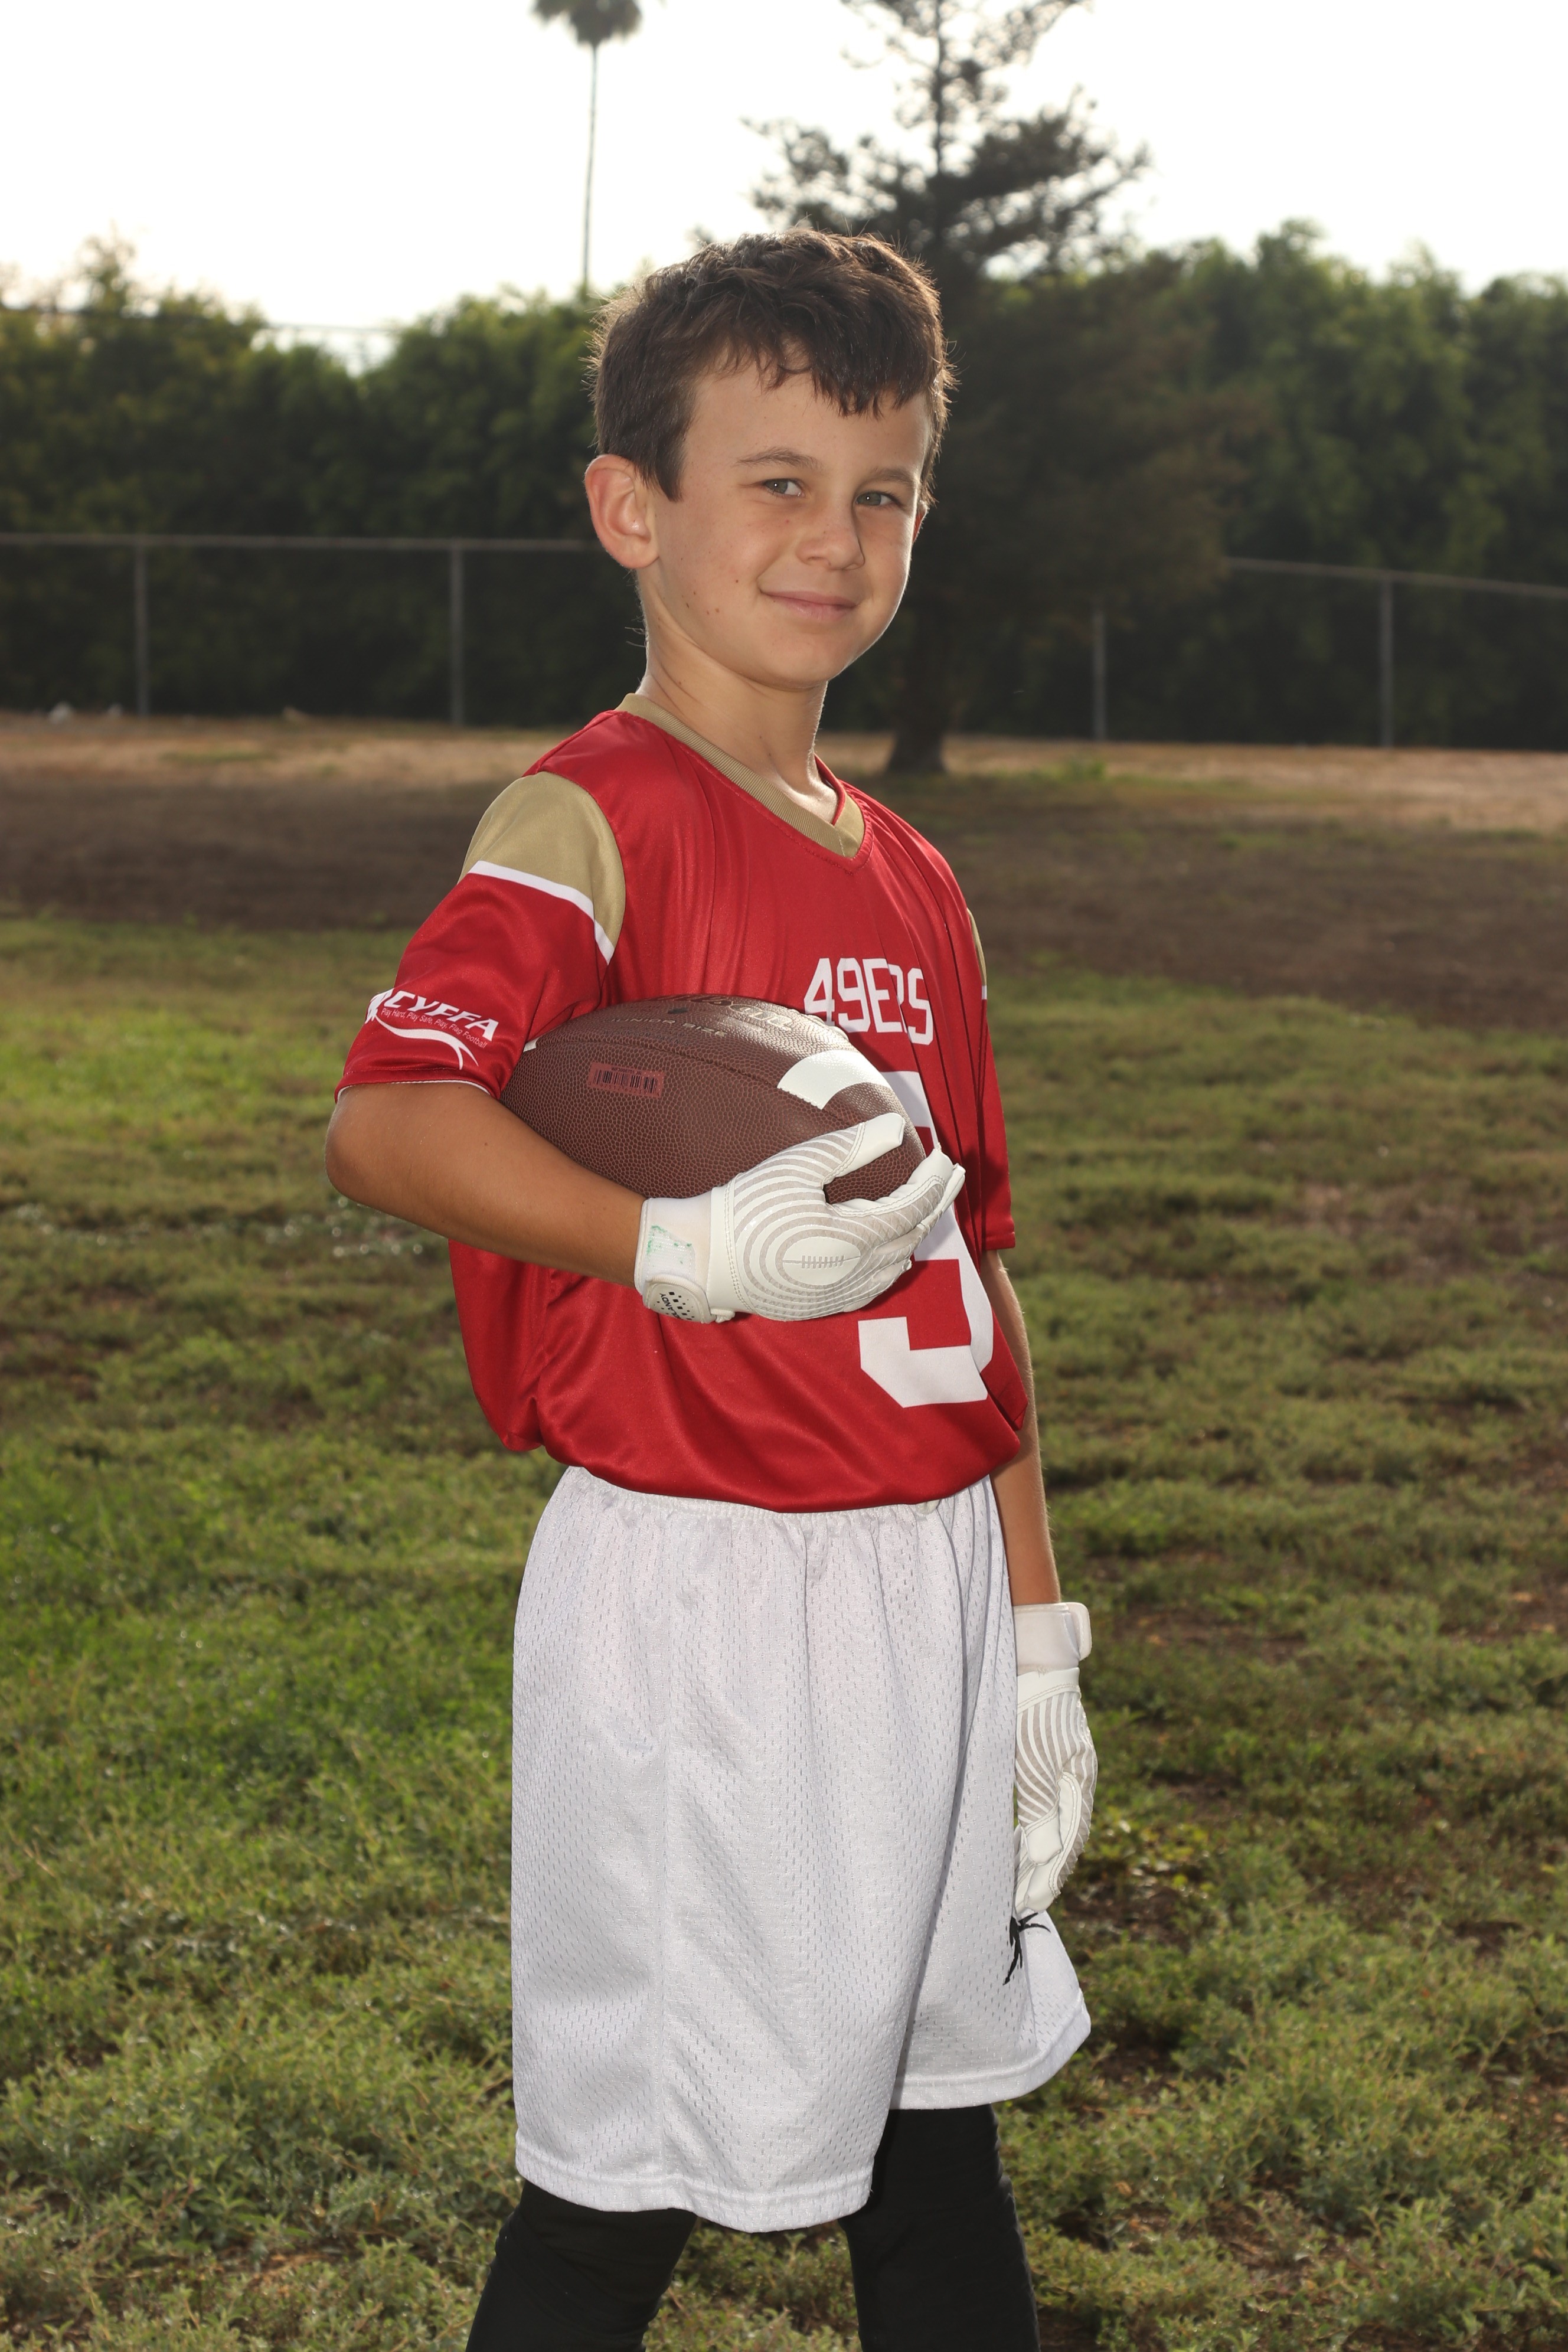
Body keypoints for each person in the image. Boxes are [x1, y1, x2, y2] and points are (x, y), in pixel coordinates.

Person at [325, 227, 1097, 2351]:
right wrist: (670, 1242)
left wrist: (1037, 1630)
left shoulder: (914, 875)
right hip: (710, 1596)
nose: (835, 537)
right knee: (627, 2184)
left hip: (926, 1574)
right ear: (631, 505)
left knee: (935, 2143)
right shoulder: (592, 816)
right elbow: (390, 1121)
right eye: (776, 480)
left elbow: (975, 1270)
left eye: (883, 490)